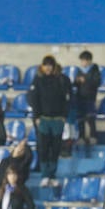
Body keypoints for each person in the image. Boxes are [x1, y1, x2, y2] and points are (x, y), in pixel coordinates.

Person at [29, 55, 71, 187]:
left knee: (56, 147)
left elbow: (67, 99)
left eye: (50, 65)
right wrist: (36, 117)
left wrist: (64, 116)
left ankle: (53, 175)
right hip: (43, 120)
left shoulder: (62, 80)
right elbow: (33, 100)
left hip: (58, 120)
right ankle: (45, 175)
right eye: (45, 65)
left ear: (54, 66)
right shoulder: (37, 80)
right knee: (43, 147)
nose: (47, 68)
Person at [74, 51, 102, 145]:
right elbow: (75, 82)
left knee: (90, 118)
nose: (83, 63)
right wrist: (77, 81)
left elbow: (96, 83)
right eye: (81, 61)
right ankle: (81, 137)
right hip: (80, 98)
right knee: (80, 119)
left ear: (89, 60)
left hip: (90, 98)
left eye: (84, 61)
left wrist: (85, 80)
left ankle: (93, 137)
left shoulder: (95, 70)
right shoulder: (79, 70)